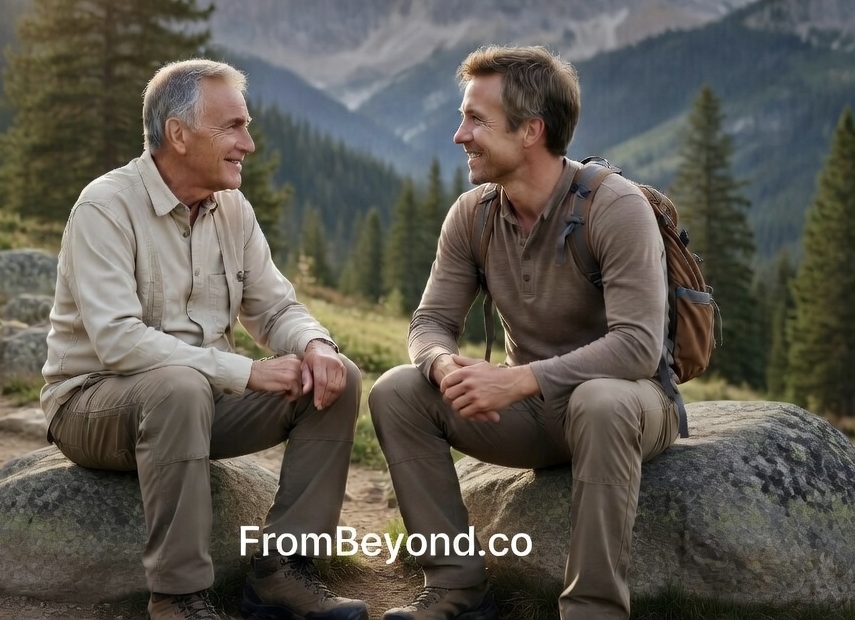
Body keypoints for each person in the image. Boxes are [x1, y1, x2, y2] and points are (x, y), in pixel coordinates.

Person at [41, 59, 368, 620]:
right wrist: (247, 373)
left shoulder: (232, 209)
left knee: (336, 377)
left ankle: (282, 575)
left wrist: (315, 345)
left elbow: (274, 307)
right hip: (93, 405)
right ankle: (177, 598)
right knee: (179, 387)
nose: (250, 143)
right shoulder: (105, 206)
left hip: (201, 402)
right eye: (234, 127)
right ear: (179, 134)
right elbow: (118, 342)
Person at [369, 45, 680, 620]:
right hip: (537, 415)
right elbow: (429, 322)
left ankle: (592, 610)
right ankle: (457, 588)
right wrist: (443, 365)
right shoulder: (474, 213)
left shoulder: (615, 207)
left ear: (531, 130)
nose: (460, 135)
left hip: (630, 403)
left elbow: (638, 346)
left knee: (601, 400)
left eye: (476, 120)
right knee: (396, 391)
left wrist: (521, 381)